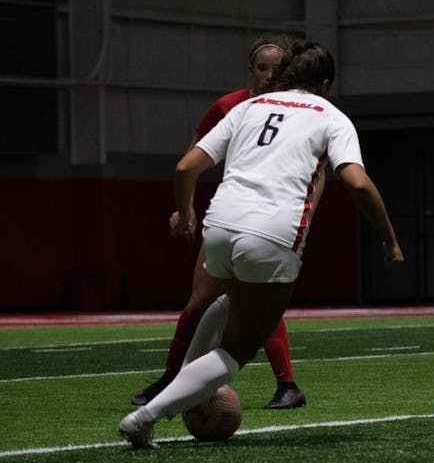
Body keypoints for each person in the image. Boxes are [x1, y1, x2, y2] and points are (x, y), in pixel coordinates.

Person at [119, 40, 404, 449]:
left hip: (219, 225)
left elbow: (185, 167)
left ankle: (181, 393)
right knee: (237, 349)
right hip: (271, 232)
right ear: (325, 84)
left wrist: (184, 213)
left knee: (224, 302)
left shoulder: (248, 107)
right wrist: (389, 239)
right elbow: (357, 183)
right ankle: (146, 417)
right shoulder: (331, 116)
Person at [130, 35, 315, 410]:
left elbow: (318, 168)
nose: (268, 75)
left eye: (276, 69)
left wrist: (306, 214)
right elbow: (192, 158)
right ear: (250, 70)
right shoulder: (229, 106)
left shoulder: (300, 111)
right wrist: (185, 208)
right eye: (261, 68)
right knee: (202, 302)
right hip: (233, 214)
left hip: (271, 220)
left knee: (257, 301)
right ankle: (171, 379)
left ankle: (286, 384)